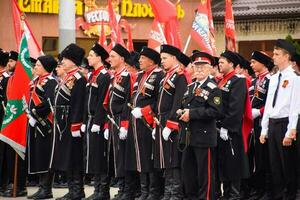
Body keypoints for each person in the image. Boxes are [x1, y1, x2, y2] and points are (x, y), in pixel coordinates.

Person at [179, 51, 222, 200]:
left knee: (205, 174)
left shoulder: (213, 88)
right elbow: (185, 104)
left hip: (204, 137)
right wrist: (182, 111)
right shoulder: (191, 86)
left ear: (210, 68)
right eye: (196, 66)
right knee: (188, 173)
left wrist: (191, 114)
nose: (199, 69)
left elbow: (215, 111)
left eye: (203, 66)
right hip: (188, 136)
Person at [259, 39, 298, 200]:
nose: (273, 57)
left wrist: (291, 131)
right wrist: (264, 129)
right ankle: (278, 195)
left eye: (276, 54)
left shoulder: (295, 78)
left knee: (287, 164)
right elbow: (269, 105)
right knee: (274, 165)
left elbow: (295, 106)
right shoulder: (274, 78)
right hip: (273, 124)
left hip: (285, 124)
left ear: (286, 56)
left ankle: (291, 195)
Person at [124, 46, 164, 200]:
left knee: (149, 157)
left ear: (151, 60)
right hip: (136, 122)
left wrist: (144, 111)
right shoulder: (141, 75)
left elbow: (159, 101)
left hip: (148, 122)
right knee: (138, 157)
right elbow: (134, 98)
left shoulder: (159, 75)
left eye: (142, 58)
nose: (139, 60)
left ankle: (153, 192)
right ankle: (144, 190)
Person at [49, 43, 86, 200]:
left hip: (72, 123)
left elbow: (78, 103)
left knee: (74, 157)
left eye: (65, 58)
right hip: (62, 124)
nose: (62, 61)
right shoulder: (67, 77)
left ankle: (77, 190)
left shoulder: (78, 78)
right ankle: (72, 189)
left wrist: (76, 124)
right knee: (66, 157)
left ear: (73, 61)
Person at [154, 45, 188, 200]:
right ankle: (168, 192)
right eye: (161, 58)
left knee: (173, 159)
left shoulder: (179, 76)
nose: (162, 61)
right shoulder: (165, 76)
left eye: (165, 58)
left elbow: (178, 101)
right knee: (165, 158)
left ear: (174, 58)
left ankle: (175, 193)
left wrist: (171, 124)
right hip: (161, 120)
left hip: (171, 122)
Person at [217, 50, 249, 199]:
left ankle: (234, 195)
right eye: (219, 61)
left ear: (232, 64)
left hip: (231, 130)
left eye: (223, 62)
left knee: (233, 163)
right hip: (218, 129)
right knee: (223, 163)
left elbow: (236, 107)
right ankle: (226, 194)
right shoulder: (220, 81)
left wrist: (226, 126)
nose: (219, 64)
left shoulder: (238, 81)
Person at [81, 43, 111, 200]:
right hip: (90, 120)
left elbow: (102, 101)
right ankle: (97, 188)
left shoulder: (104, 76)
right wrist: (85, 120)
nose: (89, 57)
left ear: (99, 57)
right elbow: (87, 100)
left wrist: (98, 122)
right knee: (92, 155)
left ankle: (103, 190)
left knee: (99, 155)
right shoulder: (92, 75)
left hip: (97, 121)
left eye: (92, 55)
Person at [103, 44, 133, 200]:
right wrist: (107, 124)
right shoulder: (113, 76)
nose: (110, 59)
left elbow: (129, 101)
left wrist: (125, 125)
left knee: (123, 156)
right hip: (113, 120)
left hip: (122, 120)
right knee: (115, 156)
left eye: (113, 56)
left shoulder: (127, 76)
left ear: (122, 59)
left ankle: (127, 190)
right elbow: (109, 103)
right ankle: (121, 188)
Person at [26, 55, 58, 199]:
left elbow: (49, 102)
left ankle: (47, 189)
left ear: (45, 66)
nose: (35, 67)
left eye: (38, 65)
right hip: (35, 123)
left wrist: (35, 115)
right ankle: (41, 187)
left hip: (45, 124)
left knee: (45, 156)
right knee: (38, 154)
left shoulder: (50, 82)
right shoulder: (36, 81)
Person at [246, 51, 274, 200]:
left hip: (265, 121)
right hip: (253, 122)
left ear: (262, 63)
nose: (251, 64)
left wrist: (260, 111)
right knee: (255, 156)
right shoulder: (254, 81)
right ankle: (257, 188)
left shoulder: (270, 79)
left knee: (264, 156)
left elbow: (271, 103)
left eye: (253, 62)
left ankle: (267, 190)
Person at [1, 51, 28, 197]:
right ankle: (12, 183)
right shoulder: (10, 79)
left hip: (19, 120)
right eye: (9, 61)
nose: (9, 64)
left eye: (12, 61)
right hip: (9, 119)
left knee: (18, 153)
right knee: (10, 156)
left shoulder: (22, 79)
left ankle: (20, 185)